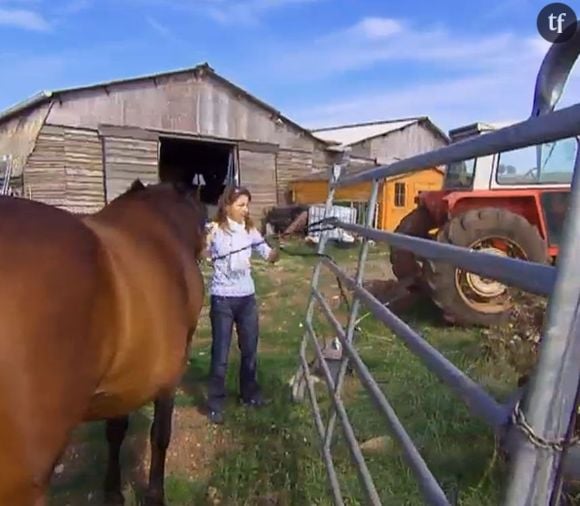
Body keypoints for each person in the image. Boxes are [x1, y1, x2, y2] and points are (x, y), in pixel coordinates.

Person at [204, 185, 279, 425]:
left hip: (247, 299)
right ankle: (216, 403)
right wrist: (205, 247)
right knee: (221, 355)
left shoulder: (250, 230)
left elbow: (265, 252)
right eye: (241, 205)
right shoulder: (214, 230)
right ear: (227, 206)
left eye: (247, 205)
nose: (245, 210)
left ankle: (250, 395)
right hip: (223, 299)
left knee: (249, 351)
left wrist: (275, 253)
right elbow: (202, 254)